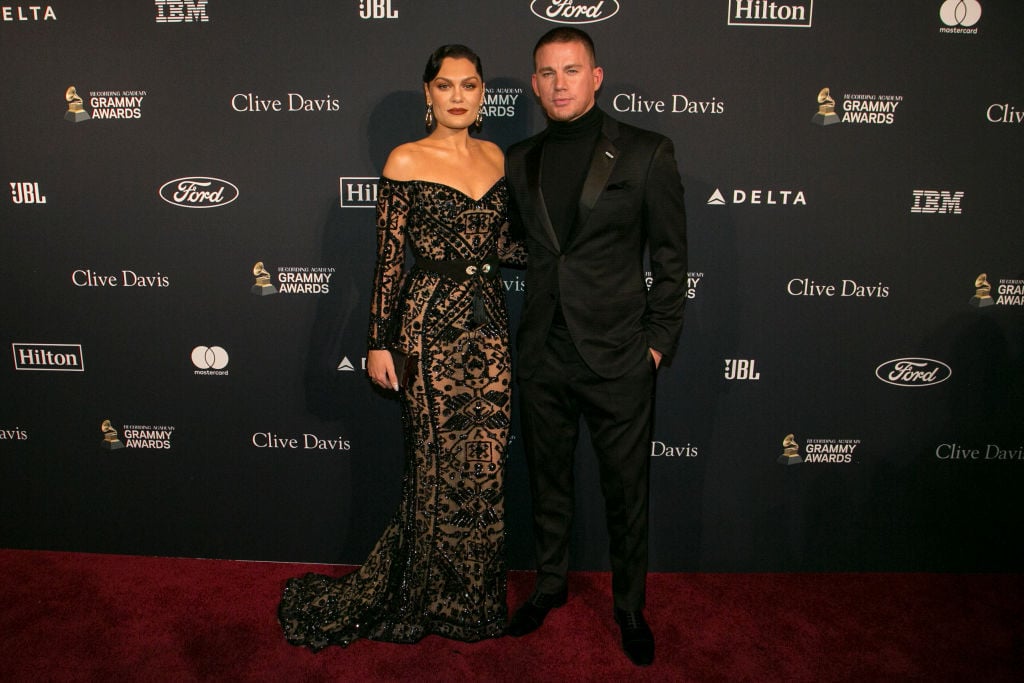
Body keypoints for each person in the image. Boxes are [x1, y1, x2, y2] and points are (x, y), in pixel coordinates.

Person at [278, 44, 524, 650]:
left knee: (485, 464)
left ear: (483, 93)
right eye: (446, 85)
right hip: (427, 324)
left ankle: (474, 601)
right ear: (428, 95)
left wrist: (576, 244)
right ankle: (421, 596)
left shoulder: (498, 157)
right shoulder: (405, 159)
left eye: (470, 84)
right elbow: (388, 262)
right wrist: (378, 343)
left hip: (490, 322)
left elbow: (507, 247)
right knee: (434, 464)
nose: (459, 95)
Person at [504, 27, 687, 667]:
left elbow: (671, 259)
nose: (559, 84)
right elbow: (521, 246)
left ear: (596, 76)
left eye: (572, 70)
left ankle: (629, 605)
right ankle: (550, 584)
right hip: (543, 353)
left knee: (626, 493)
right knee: (547, 481)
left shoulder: (646, 151)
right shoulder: (519, 158)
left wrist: (656, 344)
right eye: (547, 72)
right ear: (535, 84)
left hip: (619, 357)